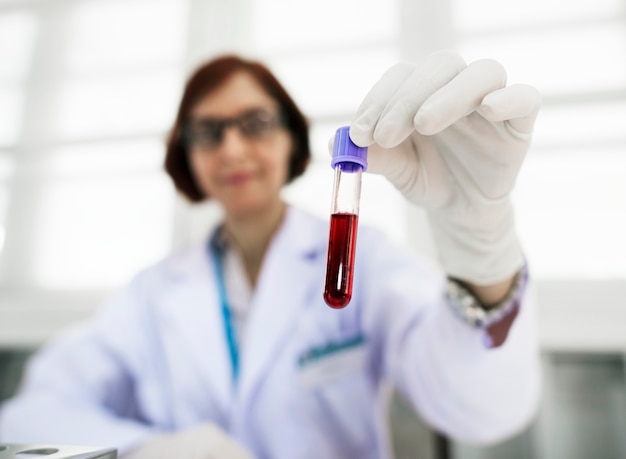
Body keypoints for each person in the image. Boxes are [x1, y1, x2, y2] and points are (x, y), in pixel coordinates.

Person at [0, 50, 542, 458]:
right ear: (187, 157)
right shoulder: (151, 294)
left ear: (291, 139)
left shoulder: (366, 260)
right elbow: (31, 417)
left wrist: (481, 244)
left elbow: (484, 410)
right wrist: (148, 449)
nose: (232, 148)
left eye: (255, 123)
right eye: (208, 132)